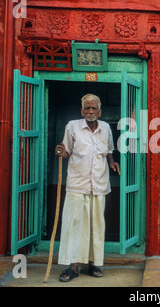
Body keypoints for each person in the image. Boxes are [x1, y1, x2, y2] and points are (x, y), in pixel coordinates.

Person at [55, 93, 120, 282]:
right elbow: (66, 152)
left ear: (100, 111)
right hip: (77, 184)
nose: (90, 111)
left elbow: (108, 150)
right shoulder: (72, 126)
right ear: (81, 111)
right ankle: (73, 266)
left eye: (94, 108)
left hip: (99, 184)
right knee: (74, 226)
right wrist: (60, 152)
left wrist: (112, 162)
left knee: (96, 226)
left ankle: (93, 263)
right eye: (87, 108)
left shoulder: (106, 128)